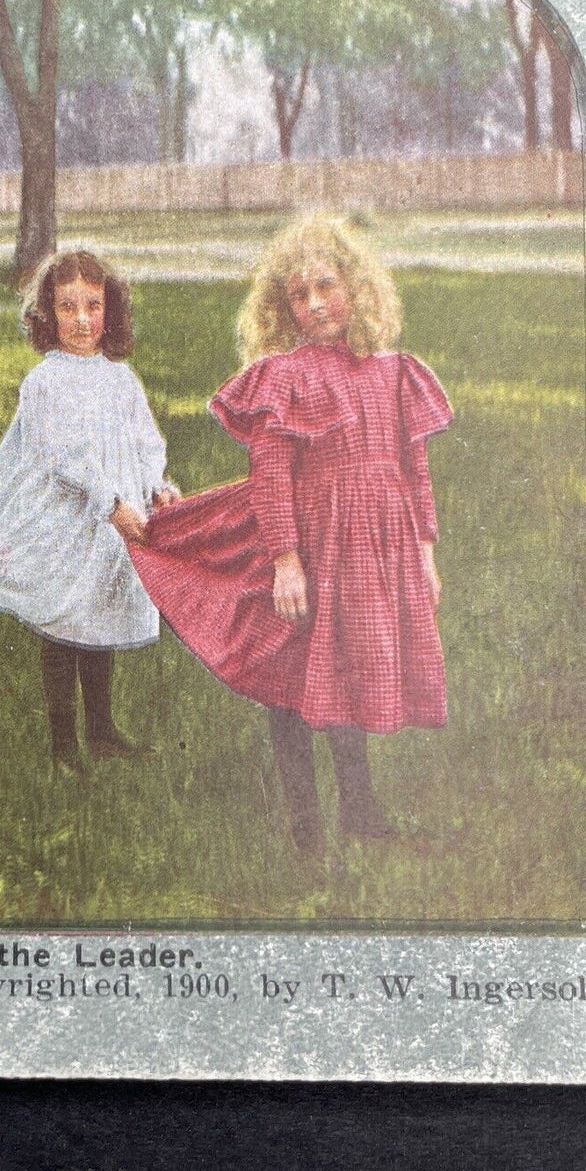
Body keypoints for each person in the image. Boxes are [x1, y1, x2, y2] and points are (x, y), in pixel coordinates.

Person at [130, 219, 453, 857]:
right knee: (294, 671)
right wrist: (285, 561)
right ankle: (304, 824)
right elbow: (271, 474)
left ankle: (360, 810)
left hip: (374, 551)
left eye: (326, 287)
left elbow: (415, 471)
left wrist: (424, 552)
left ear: (357, 288)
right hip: (309, 543)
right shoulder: (285, 376)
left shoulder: (394, 373)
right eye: (297, 296)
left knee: (352, 668)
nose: (313, 306)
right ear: (282, 309)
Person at [0, 251, 177, 774]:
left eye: (93, 306)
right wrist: (109, 503)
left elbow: (144, 439)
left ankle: (104, 730)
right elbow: (61, 455)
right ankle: (64, 744)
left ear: (111, 310)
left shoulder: (120, 377)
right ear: (47, 313)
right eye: (68, 307)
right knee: (65, 623)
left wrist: (156, 483)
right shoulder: (46, 381)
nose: (82, 320)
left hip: (116, 522)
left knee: (100, 616)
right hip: (68, 519)